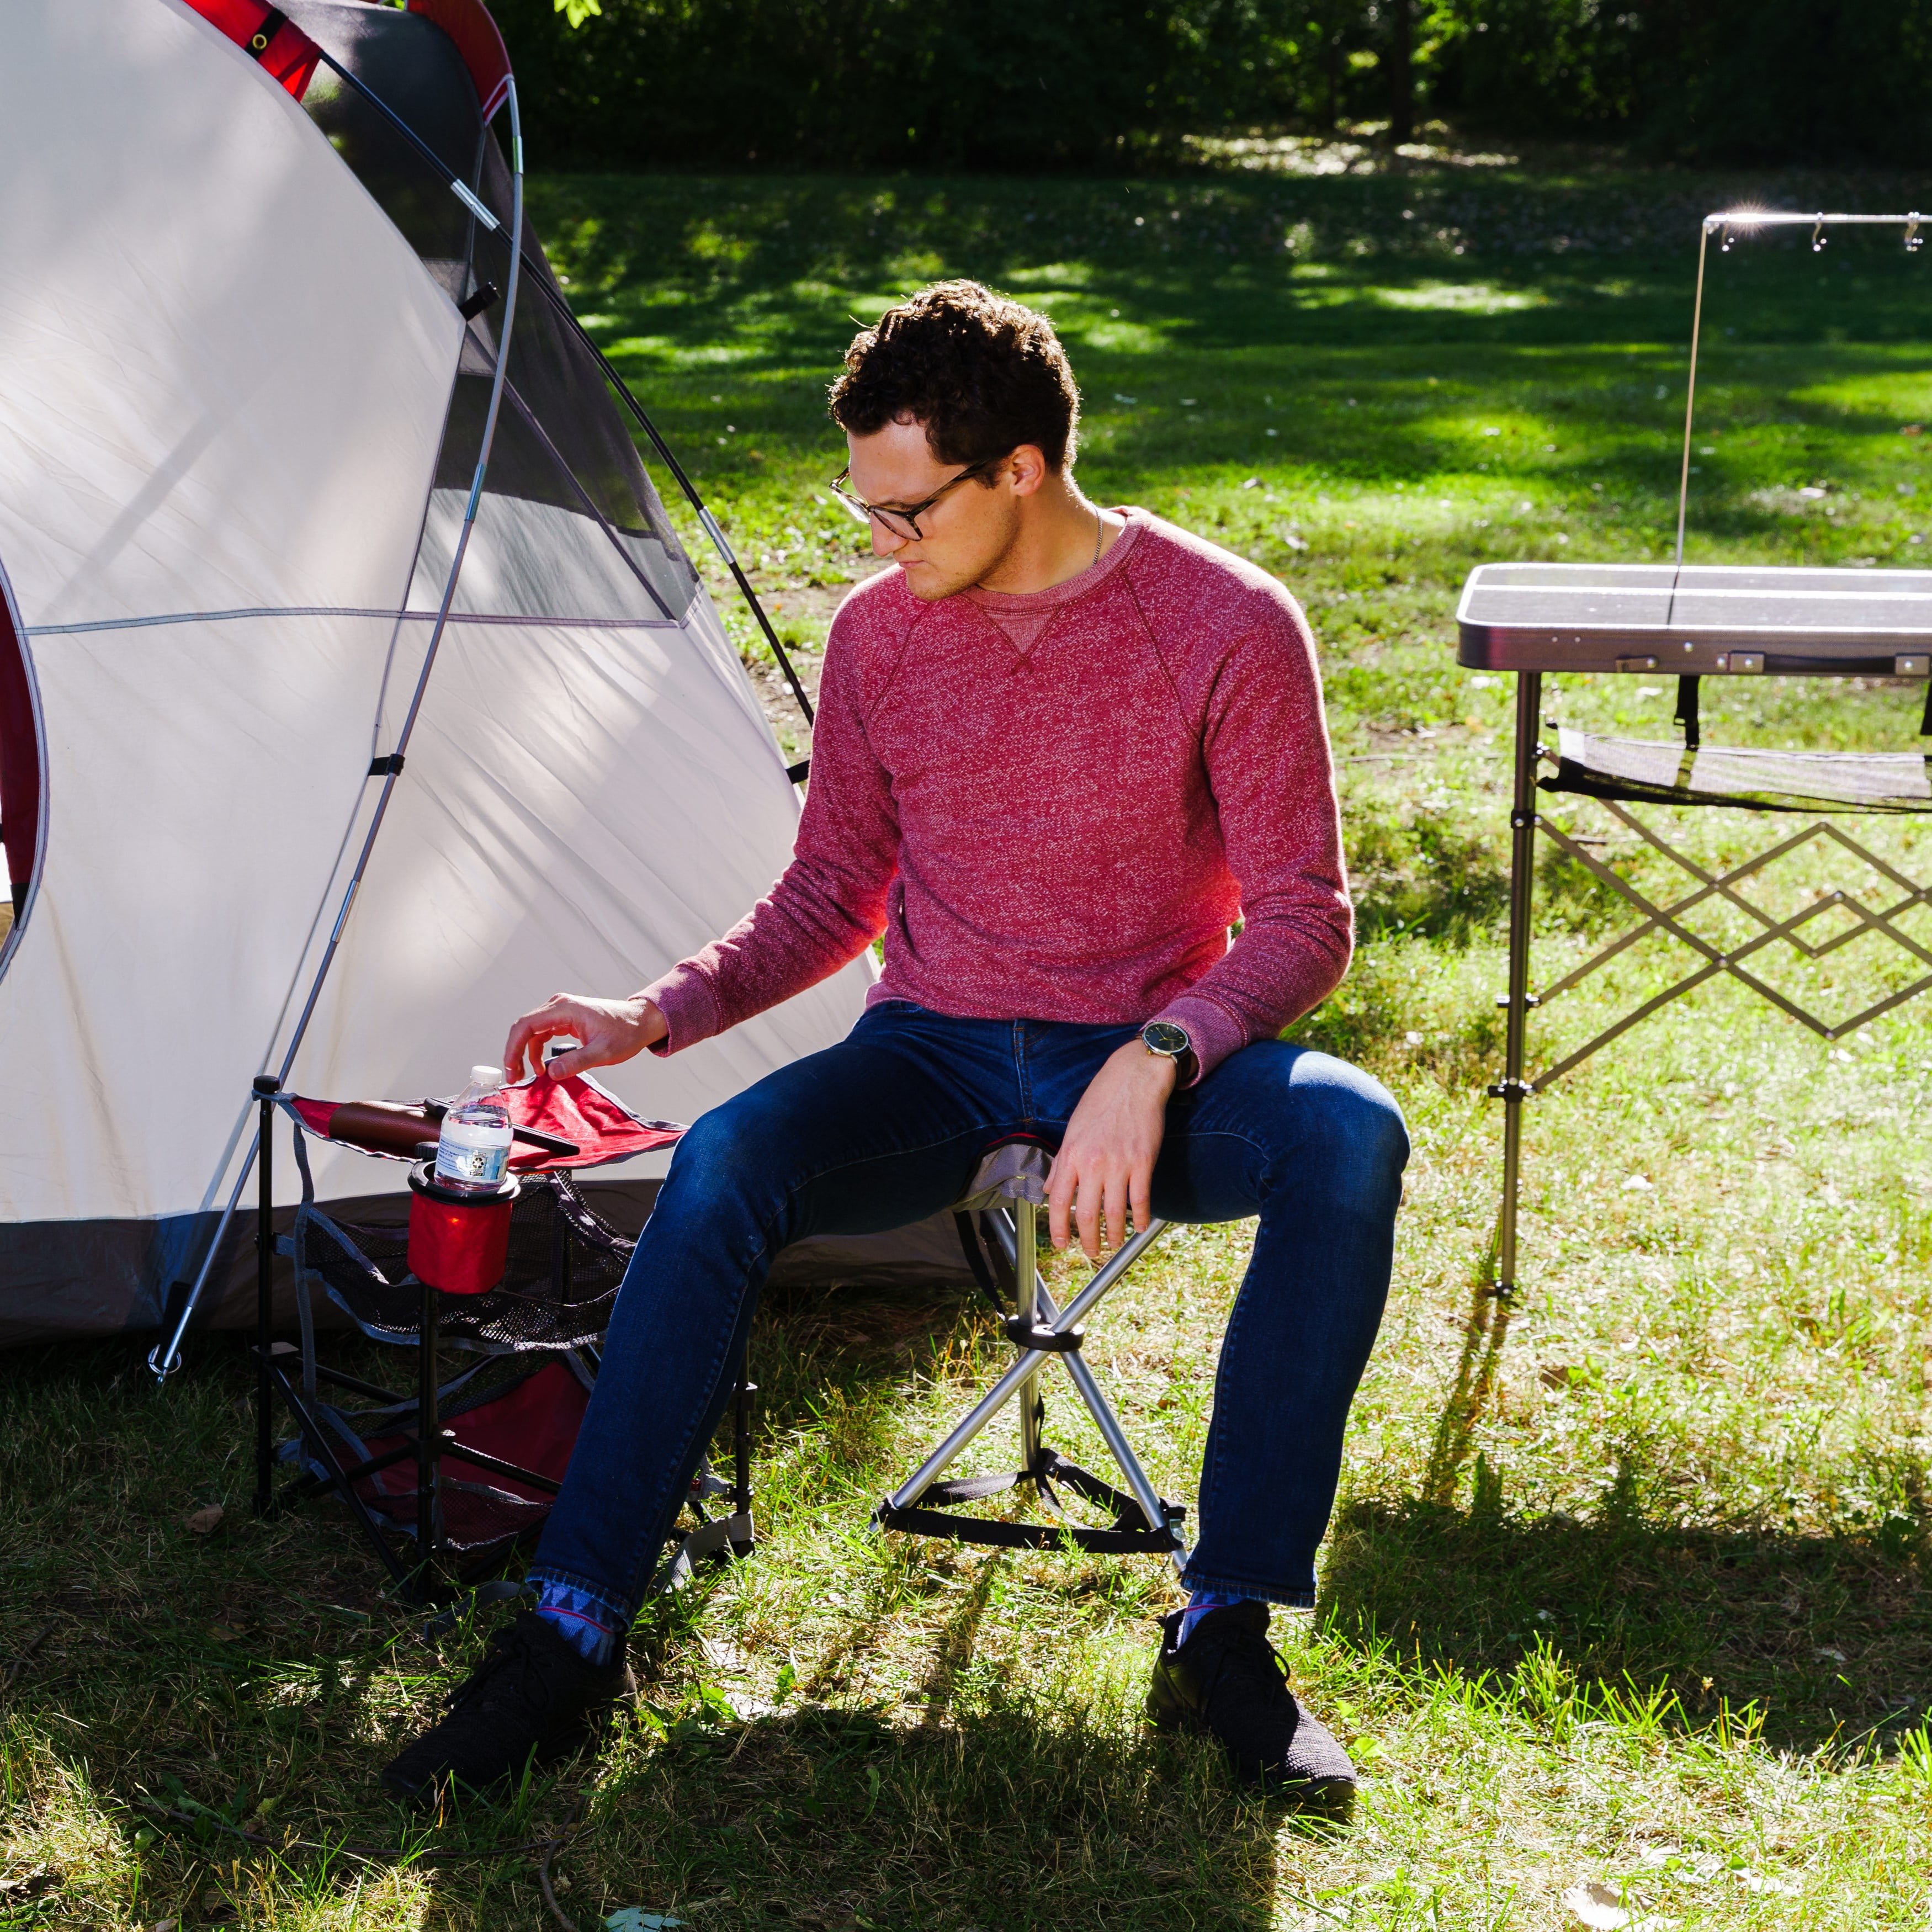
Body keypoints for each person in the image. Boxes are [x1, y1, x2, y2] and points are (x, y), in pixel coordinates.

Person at [383, 280, 1408, 1813]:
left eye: (906, 511)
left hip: (1143, 1061)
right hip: (932, 1052)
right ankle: (571, 1630)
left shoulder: (1226, 622)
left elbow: (1307, 920)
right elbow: (828, 895)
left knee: (1348, 1134)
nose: (878, 544)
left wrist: (1161, 1051)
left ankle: (1227, 1623)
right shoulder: (879, 636)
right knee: (724, 1162)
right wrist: (649, 1013)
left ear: (1019, 471)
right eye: (862, 507)